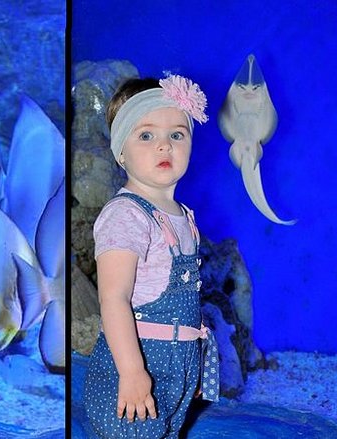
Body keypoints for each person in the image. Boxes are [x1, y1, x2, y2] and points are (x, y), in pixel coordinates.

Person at [83, 74, 220, 438]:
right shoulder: (126, 215)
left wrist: (191, 367)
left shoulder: (182, 216)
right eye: (146, 135)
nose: (164, 146)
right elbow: (114, 298)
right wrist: (131, 372)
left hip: (176, 369)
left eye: (177, 135)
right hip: (136, 369)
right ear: (120, 152)